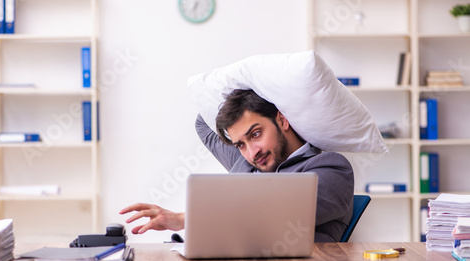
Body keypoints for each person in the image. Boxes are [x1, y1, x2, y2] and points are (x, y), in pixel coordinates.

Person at [120, 89, 354, 242]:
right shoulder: (249, 161)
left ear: (282, 119)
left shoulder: (331, 169)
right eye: (240, 144)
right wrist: (246, 85)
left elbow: (274, 213)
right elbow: (203, 121)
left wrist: (185, 219)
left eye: (256, 134)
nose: (252, 152)